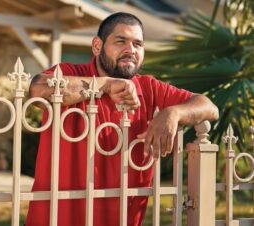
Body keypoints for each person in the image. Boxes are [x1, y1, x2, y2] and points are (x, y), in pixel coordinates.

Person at [25, 12, 218, 226]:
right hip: (57, 218)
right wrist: (105, 85)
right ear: (97, 46)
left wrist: (172, 113)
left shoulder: (148, 87)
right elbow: (38, 89)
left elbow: (208, 106)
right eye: (121, 41)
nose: (131, 50)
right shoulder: (71, 72)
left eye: (138, 44)